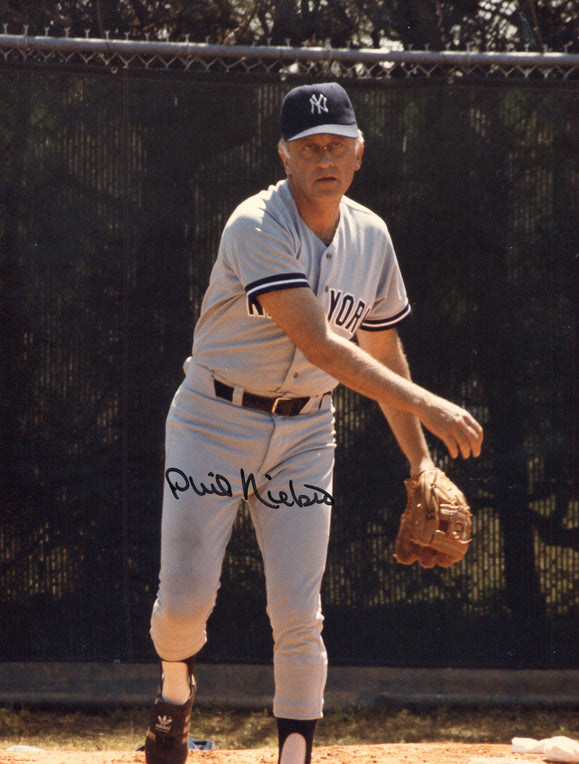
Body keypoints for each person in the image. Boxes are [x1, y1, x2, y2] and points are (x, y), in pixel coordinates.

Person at [143, 82, 483, 764]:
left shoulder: (372, 237)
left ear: (359, 154)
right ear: (285, 157)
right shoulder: (255, 224)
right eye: (308, 147)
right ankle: (176, 692)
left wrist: (419, 460)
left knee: (299, 611)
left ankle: (294, 756)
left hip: (305, 434)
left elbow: (385, 350)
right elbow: (323, 346)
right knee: (184, 603)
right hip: (213, 419)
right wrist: (433, 406)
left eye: (336, 145)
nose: (323, 157)